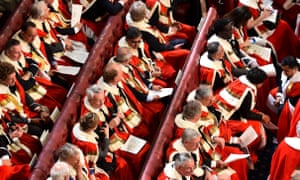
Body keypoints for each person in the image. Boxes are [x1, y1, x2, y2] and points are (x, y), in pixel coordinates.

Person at [0, 39, 67, 111]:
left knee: (63, 92)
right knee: (56, 106)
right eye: (17, 53)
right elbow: (24, 85)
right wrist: (33, 75)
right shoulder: (6, 66)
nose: (20, 55)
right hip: (29, 93)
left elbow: (34, 63)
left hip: (36, 83)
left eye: (21, 51)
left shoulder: (16, 55)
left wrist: (29, 74)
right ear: (8, 53)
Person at [109, 47, 166, 131]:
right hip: (137, 99)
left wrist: (151, 85)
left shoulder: (125, 63)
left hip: (143, 90)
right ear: (125, 60)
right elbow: (131, 92)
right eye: (129, 59)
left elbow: (138, 75)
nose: (131, 60)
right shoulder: (117, 73)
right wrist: (148, 97)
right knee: (157, 111)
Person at [126, 1, 190, 71]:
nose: (148, 13)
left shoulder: (134, 18)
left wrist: (169, 30)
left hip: (161, 40)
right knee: (186, 51)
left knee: (184, 39)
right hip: (158, 50)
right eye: (146, 12)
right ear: (143, 16)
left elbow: (155, 24)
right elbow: (156, 47)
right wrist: (171, 47)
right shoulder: (142, 30)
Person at [97, 62, 152, 140]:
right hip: (126, 125)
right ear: (115, 79)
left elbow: (132, 93)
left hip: (134, 110)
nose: (123, 74)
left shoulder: (116, 82)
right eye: (120, 73)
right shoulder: (105, 97)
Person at [71, 112, 133, 180]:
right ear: (94, 127)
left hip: (87, 158)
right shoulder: (90, 145)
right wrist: (106, 136)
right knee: (122, 164)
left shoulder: (77, 128)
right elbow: (102, 154)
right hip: (94, 164)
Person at [0, 61, 51, 138]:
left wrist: (38, 109)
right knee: (41, 132)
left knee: (49, 120)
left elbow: (23, 94)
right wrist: (29, 121)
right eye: (11, 79)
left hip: (26, 112)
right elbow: (7, 116)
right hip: (17, 122)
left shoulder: (12, 81)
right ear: (1, 80)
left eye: (14, 77)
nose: (15, 80)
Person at [267, 56, 300, 142]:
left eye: (287, 71)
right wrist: (279, 97)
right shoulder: (287, 73)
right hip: (287, 100)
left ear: (295, 68)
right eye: (283, 70)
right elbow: (282, 85)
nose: (284, 73)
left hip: (294, 106)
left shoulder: (298, 81)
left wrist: (282, 101)